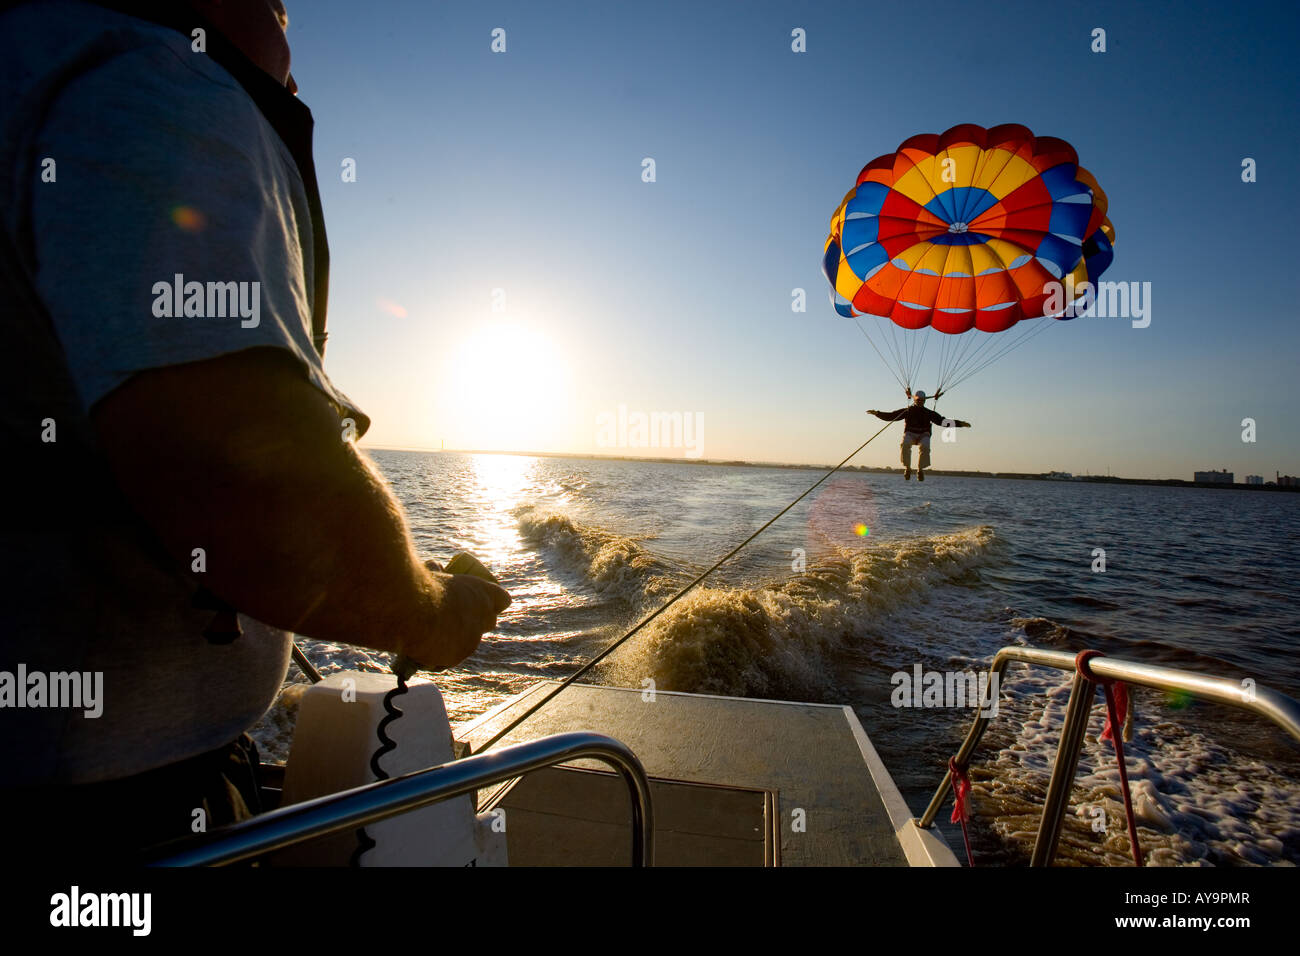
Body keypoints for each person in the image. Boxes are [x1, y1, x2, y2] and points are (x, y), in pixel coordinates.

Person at [0, 0, 510, 860]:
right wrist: (429, 612)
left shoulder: (33, 60)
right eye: (276, 5)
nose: (291, 35)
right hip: (112, 812)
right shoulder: (154, 83)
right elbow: (256, 501)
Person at [867, 390, 971, 480]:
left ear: (924, 401)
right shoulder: (908, 411)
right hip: (910, 433)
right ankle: (907, 468)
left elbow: (942, 421)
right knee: (905, 444)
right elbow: (892, 416)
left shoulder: (929, 413)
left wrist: (960, 424)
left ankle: (920, 470)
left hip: (923, 435)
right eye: (918, 400)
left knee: (925, 446)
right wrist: (877, 413)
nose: (920, 402)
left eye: (922, 400)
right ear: (915, 400)